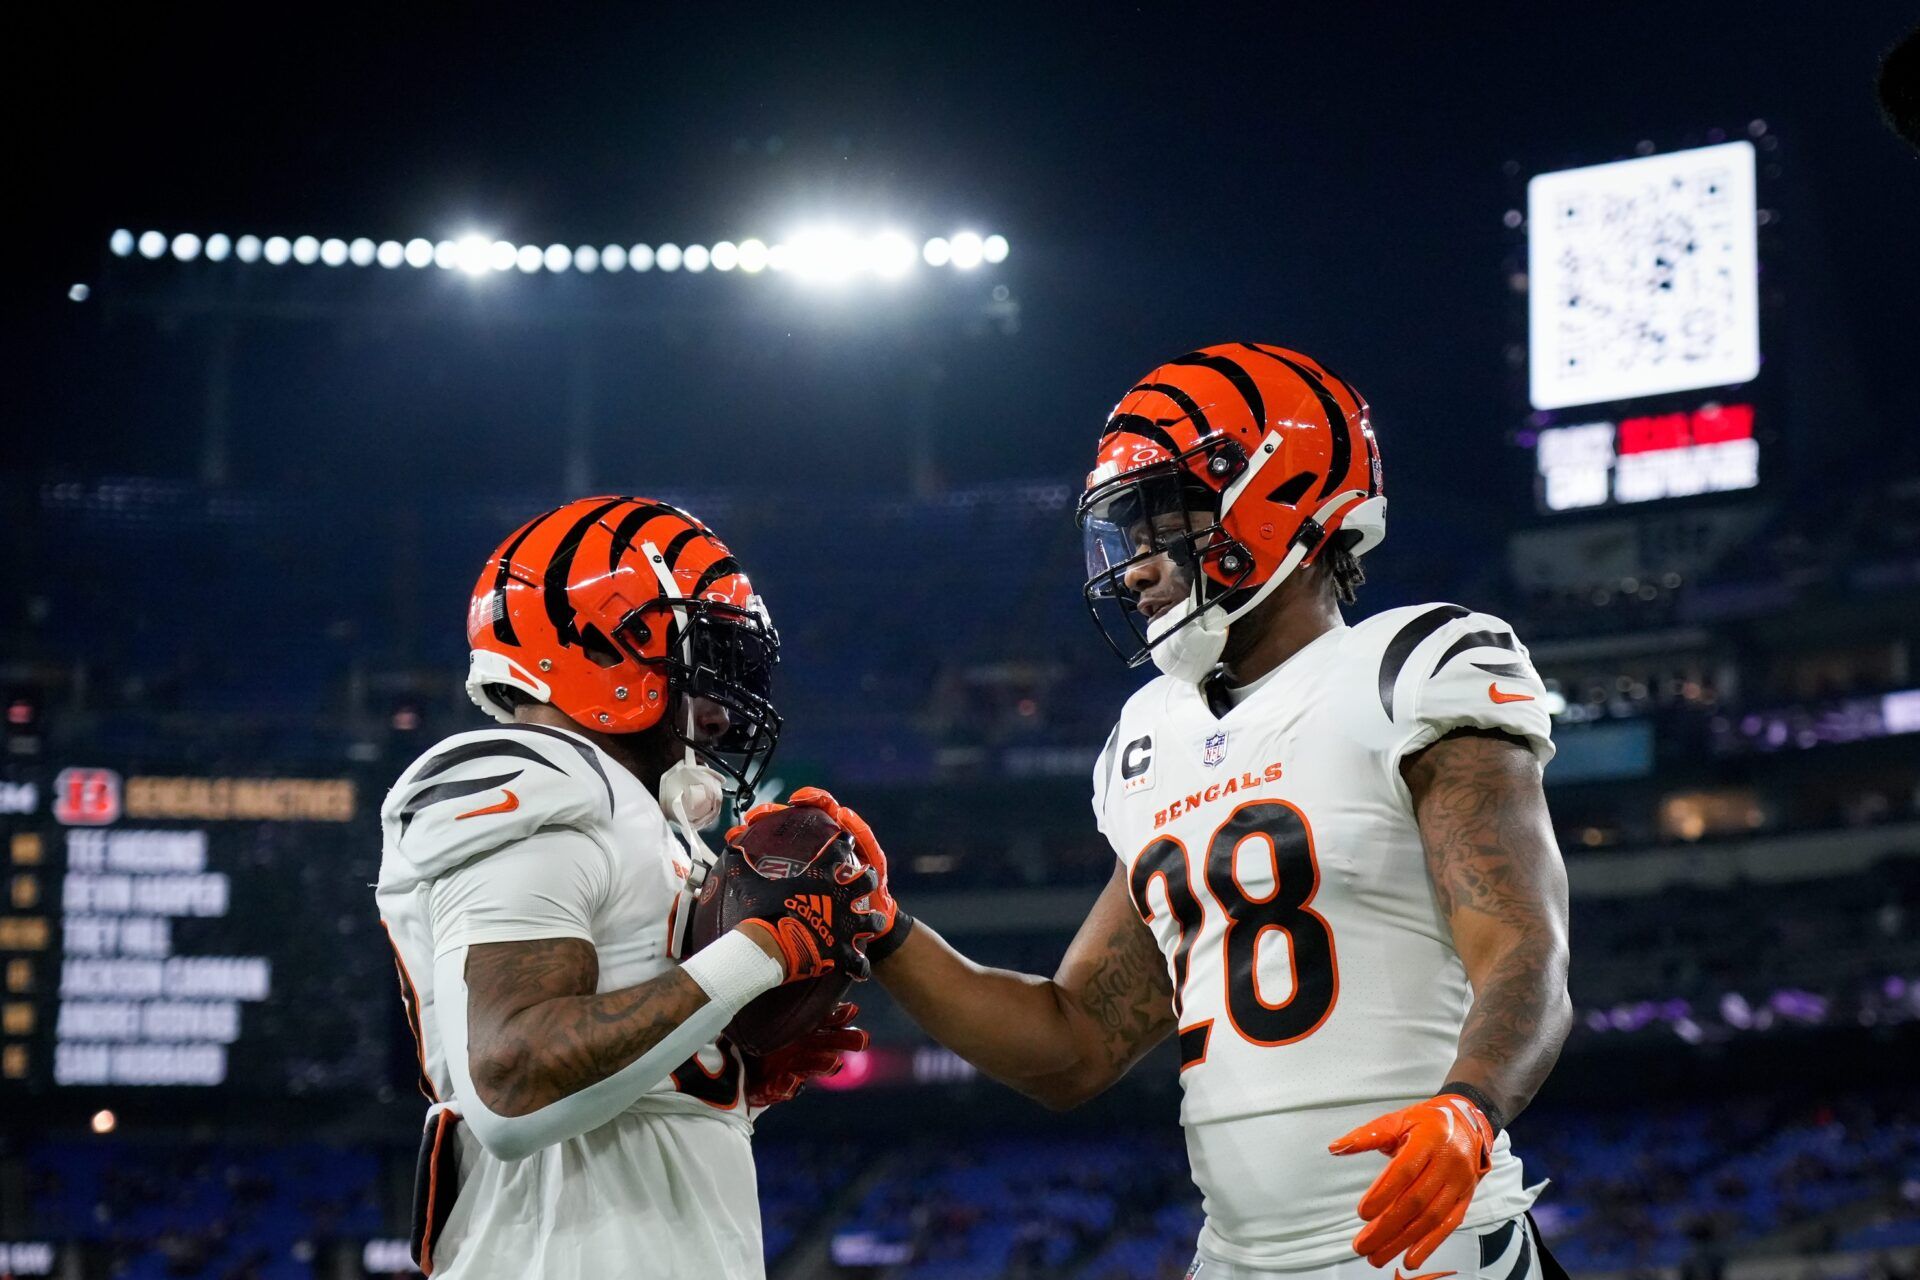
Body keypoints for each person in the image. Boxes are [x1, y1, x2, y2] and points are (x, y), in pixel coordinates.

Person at [746, 345, 1574, 1278]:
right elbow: (1072, 1045)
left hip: (1435, 1245)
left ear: (1274, 493)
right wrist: (883, 926)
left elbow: (1522, 949)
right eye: (1127, 538)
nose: (1136, 570)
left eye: (1163, 527)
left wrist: (1470, 1104)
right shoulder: (1149, 736)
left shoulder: (1412, 664)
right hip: (1234, 1258)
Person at [375, 496, 876, 1278]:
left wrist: (714, 1053)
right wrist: (757, 955)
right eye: (706, 664)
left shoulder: (639, 817)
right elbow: (512, 1085)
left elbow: (597, 1065)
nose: (721, 711)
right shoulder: (542, 782)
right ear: (602, 643)